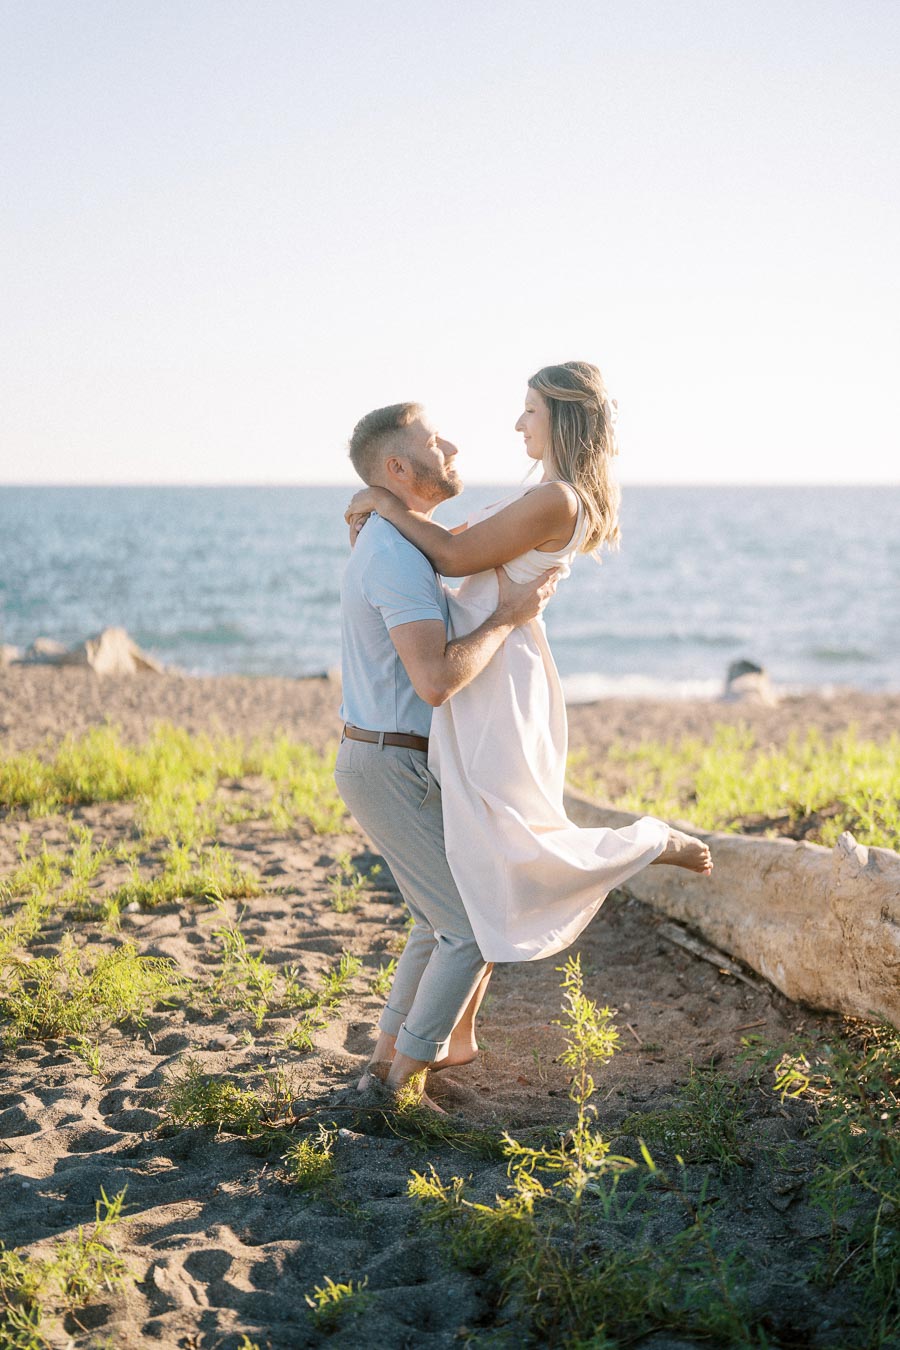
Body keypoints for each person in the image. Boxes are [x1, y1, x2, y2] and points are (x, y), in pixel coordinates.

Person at [345, 361, 712, 971]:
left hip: (499, 669)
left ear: (563, 418)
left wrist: (383, 502)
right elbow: (436, 548)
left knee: (514, 836)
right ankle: (457, 1034)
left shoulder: (556, 499)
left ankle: (649, 841)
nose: (519, 424)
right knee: (483, 842)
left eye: (531, 411)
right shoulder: (536, 495)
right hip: (486, 665)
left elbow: (456, 555)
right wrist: (378, 524)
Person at [336, 401, 559, 1110]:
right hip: (389, 763)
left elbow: (463, 545)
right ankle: (402, 1083)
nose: (455, 445)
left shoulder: (398, 541)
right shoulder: (395, 553)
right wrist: (508, 618)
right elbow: (434, 681)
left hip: (385, 759)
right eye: (436, 442)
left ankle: (382, 1064)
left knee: (438, 921)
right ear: (399, 467)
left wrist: (374, 504)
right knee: (469, 926)